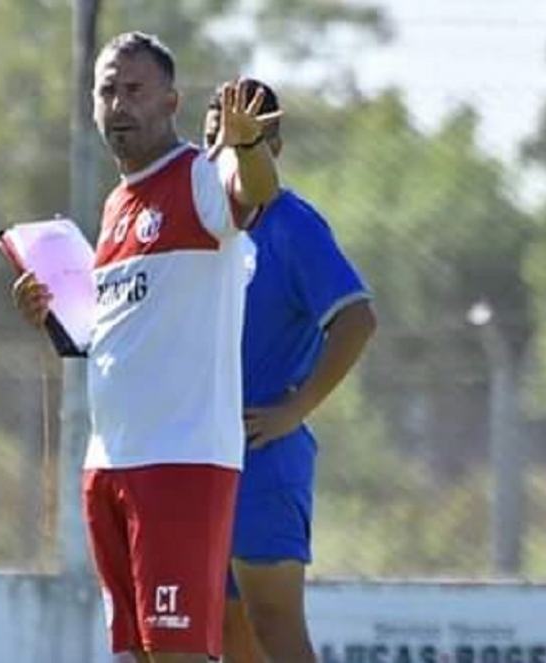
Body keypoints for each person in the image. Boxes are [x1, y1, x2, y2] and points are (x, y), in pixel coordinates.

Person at [12, 32, 282, 663]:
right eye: (107, 91)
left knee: (179, 653)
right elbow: (110, 333)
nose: (118, 104)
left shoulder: (197, 176)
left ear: (170, 102)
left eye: (134, 90)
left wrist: (246, 144)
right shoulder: (113, 206)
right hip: (110, 463)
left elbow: (257, 194)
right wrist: (49, 316)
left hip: (180, 462)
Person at [202, 80, 377, 663]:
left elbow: (357, 318)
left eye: (240, 141)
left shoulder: (292, 225)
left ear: (271, 148)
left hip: (263, 451)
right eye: (211, 141)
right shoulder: (200, 231)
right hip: (200, 452)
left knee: (274, 623)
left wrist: (295, 409)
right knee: (227, 628)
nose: (220, 154)